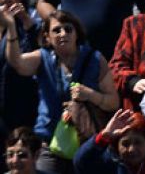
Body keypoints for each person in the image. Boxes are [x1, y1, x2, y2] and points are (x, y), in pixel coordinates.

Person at [2, 10, 120, 172]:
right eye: (56, 30)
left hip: (86, 143)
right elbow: (17, 63)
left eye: (68, 29)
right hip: (50, 142)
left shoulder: (95, 59)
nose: (63, 33)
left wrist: (90, 95)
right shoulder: (42, 58)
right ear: (47, 38)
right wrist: (11, 27)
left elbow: (113, 102)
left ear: (77, 34)